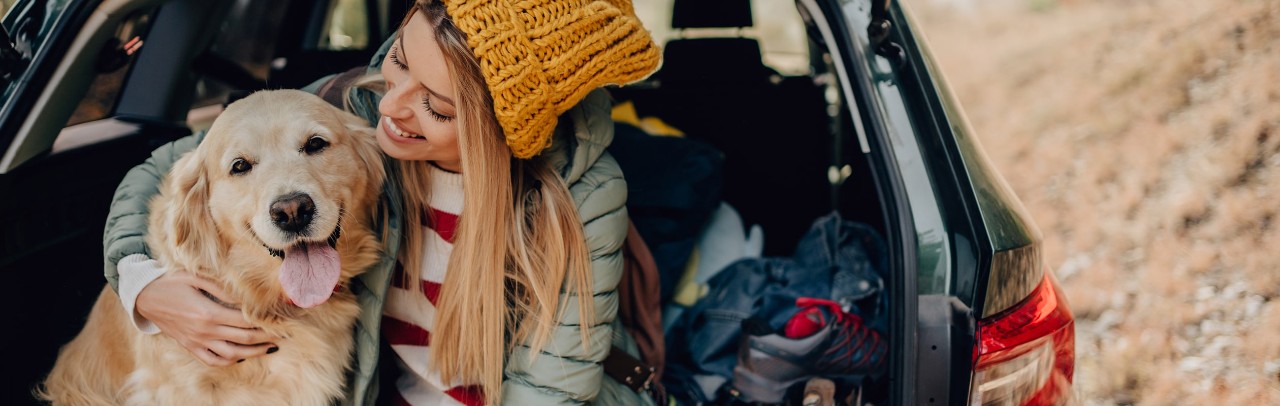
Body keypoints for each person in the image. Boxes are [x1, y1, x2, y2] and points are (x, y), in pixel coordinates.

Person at [100, 0, 661, 404]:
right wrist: (140, 282)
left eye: (436, 107)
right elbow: (160, 172)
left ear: (502, 131)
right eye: (400, 61)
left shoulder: (581, 194)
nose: (391, 104)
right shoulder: (353, 110)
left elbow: (552, 390)